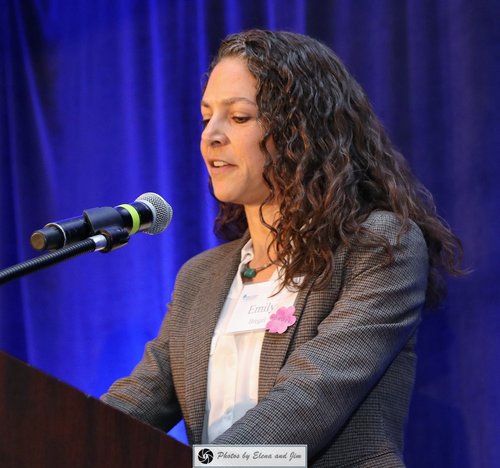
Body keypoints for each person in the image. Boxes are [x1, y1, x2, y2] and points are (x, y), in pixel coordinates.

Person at [101, 29, 463, 467]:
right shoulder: (201, 276)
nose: (210, 136)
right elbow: (140, 398)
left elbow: (309, 400)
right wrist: (63, 437)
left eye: (238, 118)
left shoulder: (381, 246)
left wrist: (206, 465)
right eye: (206, 117)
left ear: (301, 131)